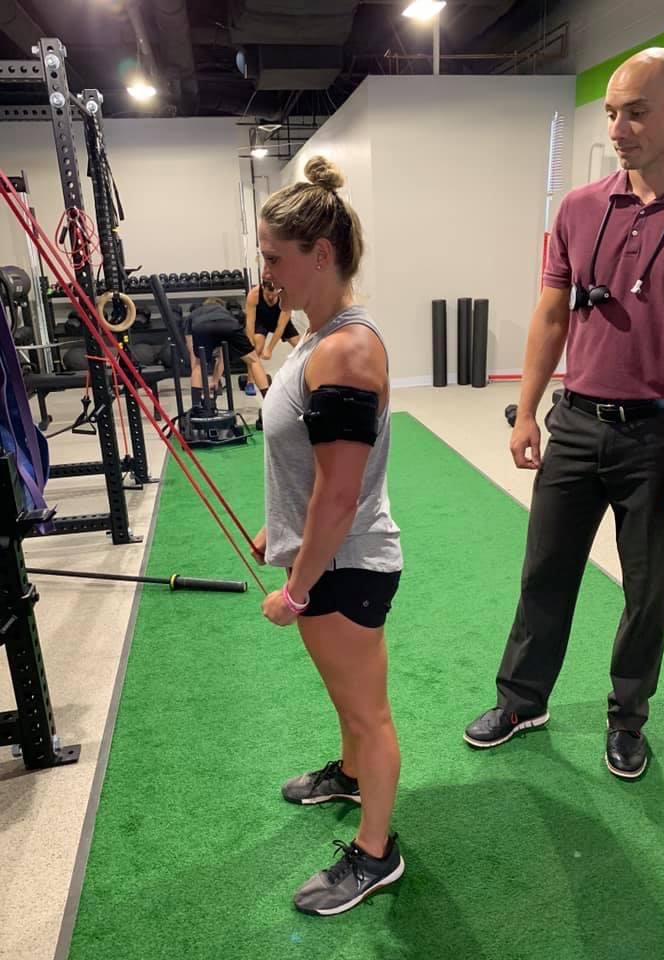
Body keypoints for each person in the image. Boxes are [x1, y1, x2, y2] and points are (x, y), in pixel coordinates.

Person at [464, 47, 664, 780]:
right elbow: (550, 315)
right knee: (544, 571)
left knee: (647, 593)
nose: (618, 126)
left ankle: (627, 719)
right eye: (611, 111)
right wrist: (525, 413)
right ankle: (522, 700)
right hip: (575, 422)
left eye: (636, 110)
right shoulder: (579, 208)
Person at [252, 155, 404, 915]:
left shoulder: (346, 348)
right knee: (346, 699)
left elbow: (342, 496)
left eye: (275, 258)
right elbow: (312, 474)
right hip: (327, 556)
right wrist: (275, 526)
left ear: (321, 253)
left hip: (345, 567)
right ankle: (347, 775)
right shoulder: (318, 340)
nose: (267, 273)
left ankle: (378, 853)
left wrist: (297, 586)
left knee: (368, 710)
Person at [185, 297, 270, 429]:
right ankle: (270, 402)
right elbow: (223, 356)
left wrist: (205, 380)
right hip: (229, 325)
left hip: (201, 327)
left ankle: (196, 408)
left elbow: (192, 352)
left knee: (198, 365)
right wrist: (215, 380)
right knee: (253, 360)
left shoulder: (194, 315)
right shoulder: (225, 314)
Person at [242, 280, 300, 395]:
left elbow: (281, 326)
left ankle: (303, 379)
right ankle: (250, 381)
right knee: (255, 349)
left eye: (274, 293)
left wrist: (269, 349)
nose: (270, 296)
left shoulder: (287, 296)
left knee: (300, 346)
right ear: (263, 288)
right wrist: (250, 343)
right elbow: (250, 322)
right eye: (268, 293)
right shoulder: (254, 294)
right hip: (261, 321)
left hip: (278, 320)